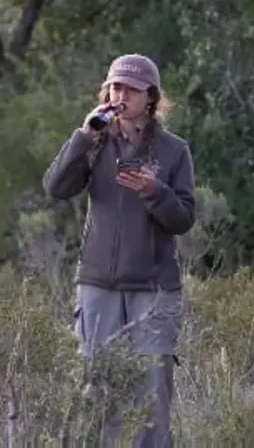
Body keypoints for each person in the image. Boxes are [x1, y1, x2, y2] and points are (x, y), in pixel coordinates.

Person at [43, 54, 196, 448]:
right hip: (98, 286)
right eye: (114, 86)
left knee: (151, 398)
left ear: (150, 97)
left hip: (153, 289)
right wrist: (83, 136)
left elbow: (183, 218)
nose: (119, 94)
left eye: (129, 88)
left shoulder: (174, 151)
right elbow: (56, 189)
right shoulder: (95, 143)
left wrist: (154, 192)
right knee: (97, 391)